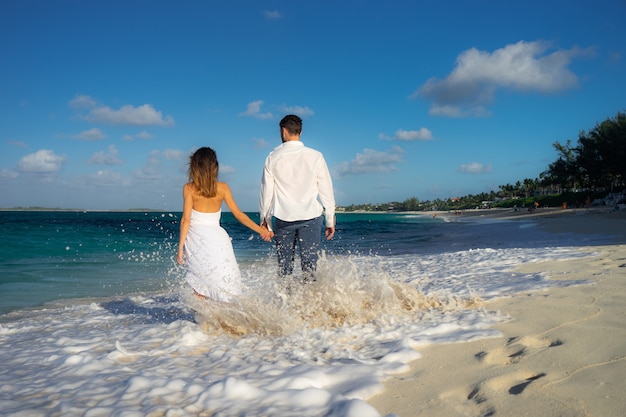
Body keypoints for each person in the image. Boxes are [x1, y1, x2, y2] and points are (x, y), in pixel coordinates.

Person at [177, 147, 272, 302]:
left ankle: (204, 321)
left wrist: (180, 247)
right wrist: (261, 230)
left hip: (196, 238)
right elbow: (239, 215)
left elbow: (186, 220)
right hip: (218, 237)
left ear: (194, 167)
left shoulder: (189, 188)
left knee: (199, 280)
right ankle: (224, 318)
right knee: (222, 277)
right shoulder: (223, 188)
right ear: (215, 167)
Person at [259, 114, 336, 280]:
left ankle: (287, 303)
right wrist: (330, 219)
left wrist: (264, 221)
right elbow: (326, 190)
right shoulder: (316, 156)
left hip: (283, 218)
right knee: (310, 268)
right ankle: (309, 304)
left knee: (284, 268)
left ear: (284, 131)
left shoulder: (272, 158)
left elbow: (267, 192)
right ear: (299, 132)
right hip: (311, 217)